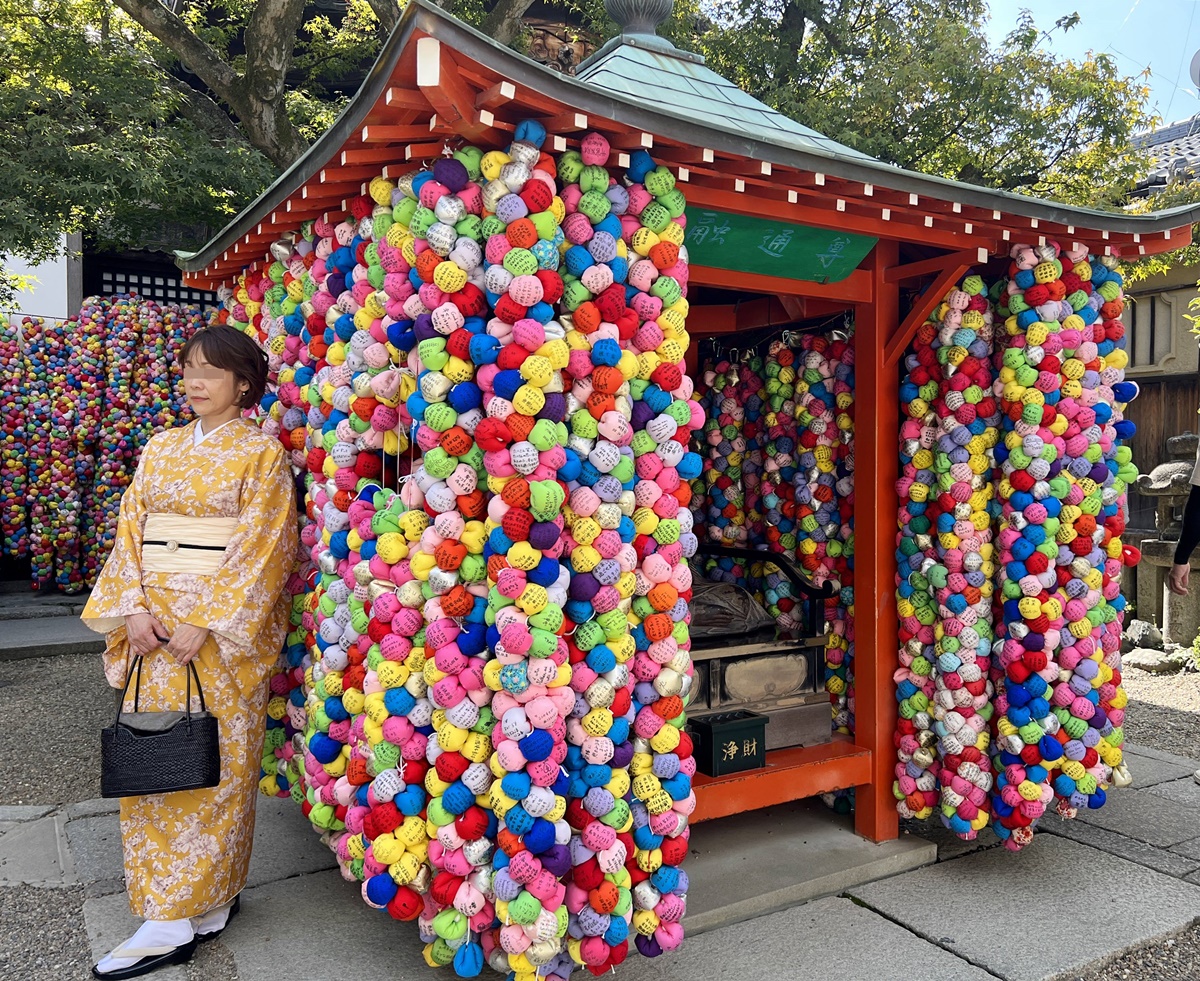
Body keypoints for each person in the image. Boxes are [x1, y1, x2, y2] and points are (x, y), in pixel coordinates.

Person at [81, 324, 298, 979]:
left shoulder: (260, 454)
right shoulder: (162, 446)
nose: (195, 382)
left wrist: (206, 619)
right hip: (154, 631)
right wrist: (135, 609)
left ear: (243, 383)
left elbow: (266, 545)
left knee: (219, 768)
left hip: (218, 637)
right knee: (158, 760)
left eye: (210, 371)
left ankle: (199, 902)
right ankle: (170, 909)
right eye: (188, 370)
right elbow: (131, 528)